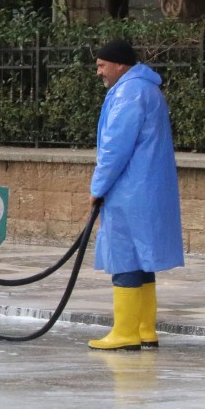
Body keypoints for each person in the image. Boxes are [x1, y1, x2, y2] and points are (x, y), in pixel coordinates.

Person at [86, 39, 183, 351]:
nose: (98, 71)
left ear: (120, 66)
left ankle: (125, 331)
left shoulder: (129, 92)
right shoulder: (146, 89)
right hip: (147, 187)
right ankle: (145, 329)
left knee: (125, 256)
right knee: (143, 258)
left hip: (128, 189)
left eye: (102, 65)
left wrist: (97, 187)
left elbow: (115, 146)